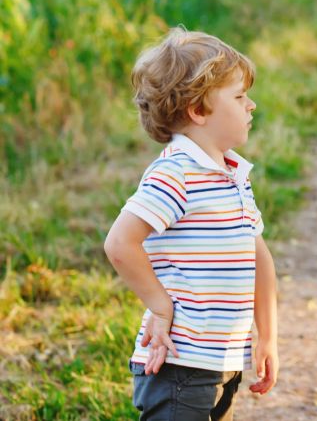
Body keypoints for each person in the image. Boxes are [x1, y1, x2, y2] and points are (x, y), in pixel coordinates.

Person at [104, 27, 278, 420]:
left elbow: (259, 258)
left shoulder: (232, 173)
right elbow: (120, 244)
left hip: (223, 359)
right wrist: (160, 306)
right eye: (239, 97)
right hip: (181, 364)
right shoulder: (175, 173)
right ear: (198, 111)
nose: (251, 106)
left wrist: (267, 337)